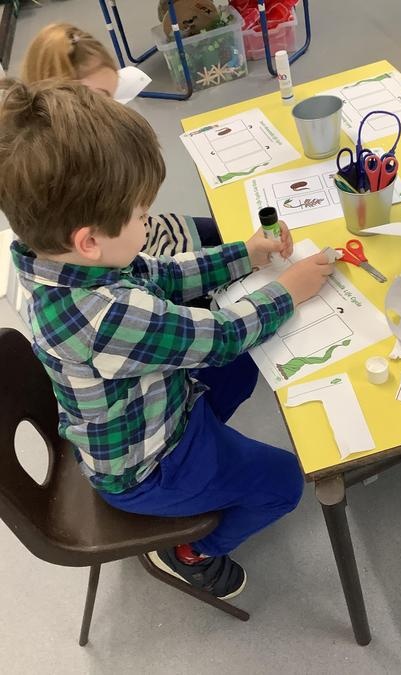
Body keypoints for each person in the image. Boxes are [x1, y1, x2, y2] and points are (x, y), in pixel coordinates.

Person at [1, 79, 334, 598]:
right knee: (285, 481)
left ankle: (211, 451)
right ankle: (192, 553)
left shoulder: (61, 264)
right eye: (141, 216)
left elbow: (165, 274)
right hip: (148, 468)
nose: (149, 222)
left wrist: (245, 254)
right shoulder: (107, 316)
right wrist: (288, 291)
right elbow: (223, 335)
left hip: (148, 410)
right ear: (88, 241)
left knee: (245, 363)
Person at [21, 22, 220, 254]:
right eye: (100, 100)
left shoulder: (88, 135)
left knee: (223, 228)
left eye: (113, 98)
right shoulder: (59, 171)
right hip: (133, 251)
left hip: (146, 230)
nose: (110, 110)